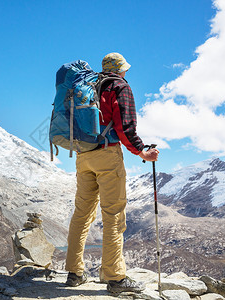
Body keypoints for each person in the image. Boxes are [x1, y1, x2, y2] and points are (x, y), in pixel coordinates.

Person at [65, 53, 159, 294]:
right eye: (125, 69)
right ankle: (114, 277)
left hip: (83, 155)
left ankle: (74, 272)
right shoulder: (119, 87)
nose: (126, 72)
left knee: (82, 214)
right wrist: (141, 152)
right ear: (120, 69)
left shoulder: (89, 86)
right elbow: (125, 126)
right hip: (107, 155)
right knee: (113, 216)